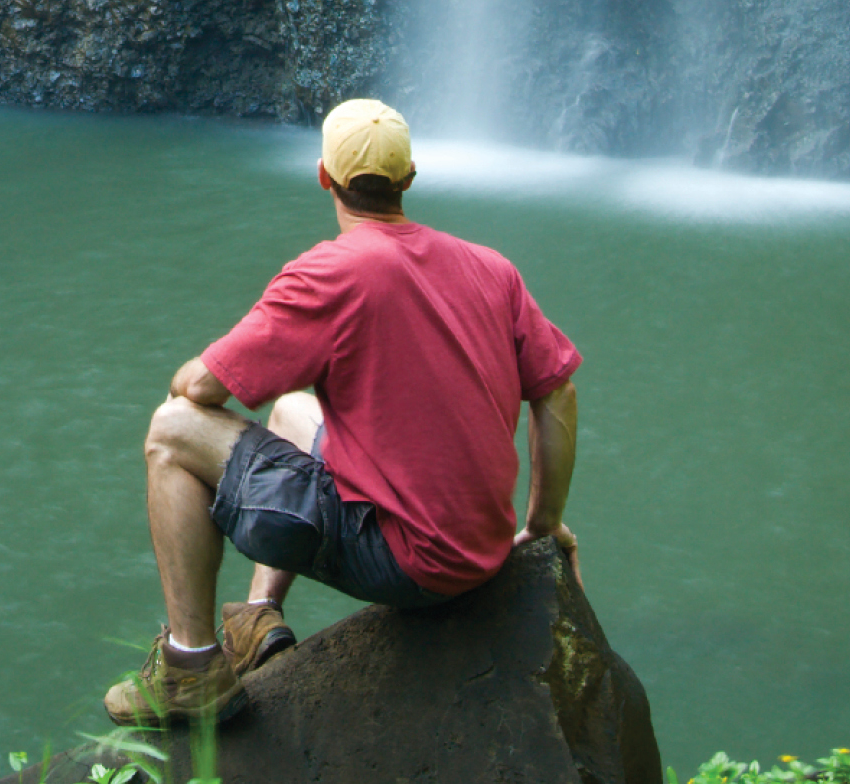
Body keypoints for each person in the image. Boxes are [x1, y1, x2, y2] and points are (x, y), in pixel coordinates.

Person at [105, 96, 581, 725]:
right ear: (410, 178)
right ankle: (258, 617)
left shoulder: (331, 273)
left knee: (171, 432)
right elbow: (557, 391)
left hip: (406, 560)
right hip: (480, 547)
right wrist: (542, 526)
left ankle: (191, 672)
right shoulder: (491, 268)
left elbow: (198, 390)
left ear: (324, 176)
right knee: (292, 412)